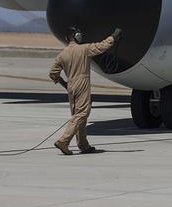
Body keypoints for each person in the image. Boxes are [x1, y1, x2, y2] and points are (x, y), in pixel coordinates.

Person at [49, 27, 122, 155]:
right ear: (76, 36)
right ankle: (64, 141)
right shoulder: (84, 49)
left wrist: (64, 84)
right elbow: (102, 46)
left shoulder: (62, 54)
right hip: (82, 82)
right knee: (82, 113)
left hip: (71, 85)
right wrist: (114, 37)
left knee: (78, 116)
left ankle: (83, 145)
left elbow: (53, 73)